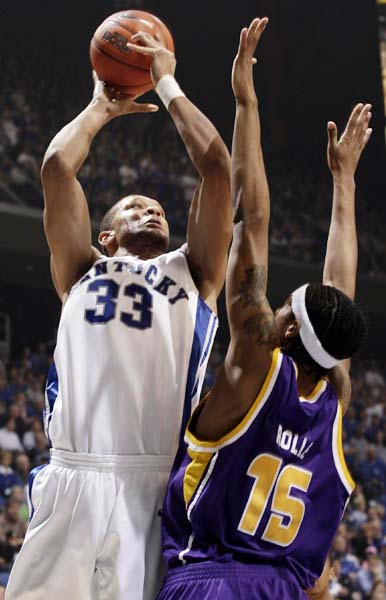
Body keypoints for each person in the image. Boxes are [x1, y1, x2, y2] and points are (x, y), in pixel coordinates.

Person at [6, 29, 232, 600]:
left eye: (158, 207)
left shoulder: (196, 271)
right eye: (137, 206)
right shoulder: (81, 267)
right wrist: (99, 108)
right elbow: (58, 168)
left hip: (152, 484)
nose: (152, 210)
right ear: (106, 233)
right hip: (74, 470)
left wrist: (166, 80)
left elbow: (218, 169)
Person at [157, 17, 372, 600]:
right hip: (285, 588)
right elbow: (341, 296)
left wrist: (245, 104)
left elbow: (251, 222)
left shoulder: (256, 363)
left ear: (287, 325)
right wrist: (344, 182)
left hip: (215, 580)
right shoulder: (334, 393)